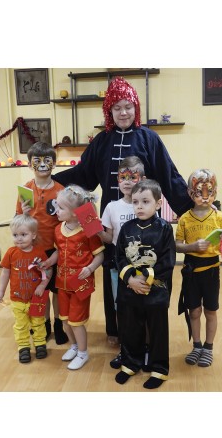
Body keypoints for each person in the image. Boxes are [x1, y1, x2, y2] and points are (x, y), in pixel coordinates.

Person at [52, 76, 193, 343]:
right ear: (109, 111)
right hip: (111, 220)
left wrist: (192, 208)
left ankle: (146, 330)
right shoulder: (101, 141)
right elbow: (83, 175)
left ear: (135, 107)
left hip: (144, 221)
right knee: (113, 273)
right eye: (116, 108)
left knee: (143, 269)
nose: (123, 112)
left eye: (128, 106)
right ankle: (116, 330)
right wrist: (52, 182)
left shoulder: (149, 138)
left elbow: (168, 175)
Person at [114, 179, 176, 389]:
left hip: (155, 290)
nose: (139, 206)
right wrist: (131, 279)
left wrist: (146, 280)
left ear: (158, 204)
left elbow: (168, 261)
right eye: (135, 202)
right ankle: (130, 363)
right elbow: (119, 256)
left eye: (145, 201)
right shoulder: (126, 228)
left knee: (157, 331)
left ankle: (159, 368)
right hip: (130, 289)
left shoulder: (164, 229)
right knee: (130, 328)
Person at [43, 184, 105, 370]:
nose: (57, 210)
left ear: (76, 213)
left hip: (80, 284)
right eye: (57, 205)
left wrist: (90, 268)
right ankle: (74, 346)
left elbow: (100, 255)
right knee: (64, 319)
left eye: (61, 208)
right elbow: (58, 251)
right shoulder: (57, 229)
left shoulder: (88, 231)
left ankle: (83, 353)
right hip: (62, 284)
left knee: (76, 321)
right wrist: (48, 262)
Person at [175, 168, 222, 367]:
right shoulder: (184, 218)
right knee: (194, 310)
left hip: (211, 271)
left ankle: (208, 347)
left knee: (210, 310)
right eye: (199, 192)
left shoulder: (219, 217)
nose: (205, 197)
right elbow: (177, 245)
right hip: (191, 270)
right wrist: (191, 247)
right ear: (191, 193)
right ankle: (197, 345)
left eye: (210, 192)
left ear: (215, 192)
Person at [16, 141, 68, 345]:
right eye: (37, 161)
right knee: (41, 290)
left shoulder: (61, 191)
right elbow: (17, 222)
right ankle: (43, 324)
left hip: (56, 249)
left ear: (54, 163)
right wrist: (24, 214)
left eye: (48, 160)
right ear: (30, 164)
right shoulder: (25, 190)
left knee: (57, 290)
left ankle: (59, 324)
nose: (43, 165)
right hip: (34, 249)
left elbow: (67, 220)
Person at [97, 156, 145, 368]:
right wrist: (93, 228)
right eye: (122, 177)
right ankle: (125, 347)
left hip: (142, 262)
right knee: (121, 306)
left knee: (142, 304)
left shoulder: (144, 204)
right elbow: (109, 238)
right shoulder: (111, 207)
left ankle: (143, 346)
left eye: (132, 177)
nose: (127, 181)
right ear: (117, 180)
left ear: (141, 178)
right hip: (119, 262)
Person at [0, 214, 52, 363]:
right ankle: (23, 347)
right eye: (15, 235)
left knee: (38, 322)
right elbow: (5, 273)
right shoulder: (11, 253)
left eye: (23, 234)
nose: (19, 239)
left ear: (33, 235)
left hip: (36, 298)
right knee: (20, 325)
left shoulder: (39, 252)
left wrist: (42, 285)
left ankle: (40, 344)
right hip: (17, 299)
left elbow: (48, 271)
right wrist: (1, 291)